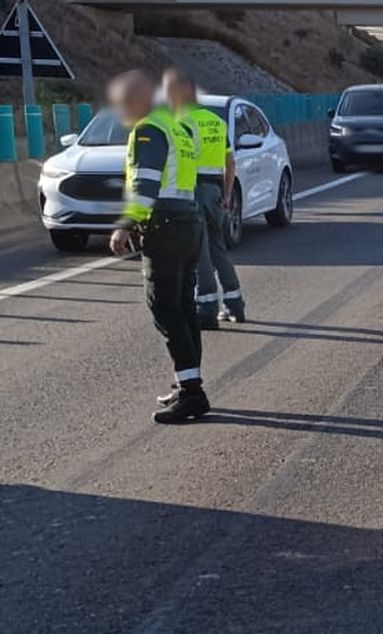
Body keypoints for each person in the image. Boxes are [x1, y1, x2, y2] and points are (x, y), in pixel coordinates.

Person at [107, 70, 206, 424]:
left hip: (165, 227)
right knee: (183, 306)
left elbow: (146, 185)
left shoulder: (149, 129)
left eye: (123, 102)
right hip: (188, 222)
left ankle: (193, 394)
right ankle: (188, 382)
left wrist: (125, 225)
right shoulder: (177, 127)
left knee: (165, 308)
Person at [163, 68, 243, 328]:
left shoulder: (183, 123)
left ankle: (207, 309)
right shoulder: (216, 122)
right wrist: (228, 195)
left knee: (201, 252)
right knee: (219, 248)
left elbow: (178, 163)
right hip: (217, 190)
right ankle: (234, 305)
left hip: (194, 191)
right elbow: (230, 162)